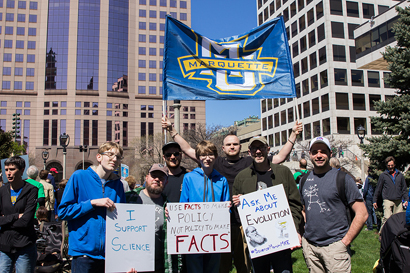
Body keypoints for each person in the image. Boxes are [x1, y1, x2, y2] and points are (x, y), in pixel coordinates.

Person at [162, 116, 303, 273]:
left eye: (235, 144)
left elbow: (280, 157)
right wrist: (172, 130)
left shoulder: (250, 161)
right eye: (228, 144)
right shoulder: (216, 162)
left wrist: (293, 135)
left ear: (240, 146)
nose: (232, 147)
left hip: (244, 224)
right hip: (218, 226)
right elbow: (188, 150)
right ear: (222, 148)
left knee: (244, 265)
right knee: (220, 267)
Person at [232, 136, 303, 273]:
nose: (258, 151)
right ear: (249, 152)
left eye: (261, 148)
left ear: (268, 149)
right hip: (258, 245)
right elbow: (239, 211)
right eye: (254, 149)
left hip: (282, 239)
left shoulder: (283, 172)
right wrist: (238, 203)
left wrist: (294, 229)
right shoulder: (241, 177)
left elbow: (295, 204)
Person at [299, 136, 367, 272]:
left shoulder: (343, 179)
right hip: (311, 248)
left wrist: (345, 242)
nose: (319, 155)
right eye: (315, 152)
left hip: (335, 247)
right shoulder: (304, 180)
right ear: (310, 154)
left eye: (323, 151)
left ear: (330, 154)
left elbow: (363, 213)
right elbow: (304, 209)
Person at [58, 141, 127, 273]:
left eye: (118, 157)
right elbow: (63, 212)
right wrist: (92, 203)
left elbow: (121, 218)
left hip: (111, 254)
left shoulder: (118, 184)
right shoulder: (79, 177)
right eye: (110, 154)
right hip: (84, 254)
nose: (115, 159)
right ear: (99, 157)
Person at [179, 140, 230, 273]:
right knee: (194, 269)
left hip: (215, 233)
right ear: (198, 157)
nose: (207, 158)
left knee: (213, 268)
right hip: (194, 234)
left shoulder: (222, 180)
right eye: (203, 155)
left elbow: (227, 207)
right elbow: (183, 204)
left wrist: (227, 208)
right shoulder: (189, 178)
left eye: (211, 154)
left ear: (216, 157)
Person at [126, 163, 170, 273]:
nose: (157, 179)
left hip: (159, 266)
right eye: (153, 176)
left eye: (161, 178)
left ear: (166, 182)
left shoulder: (168, 206)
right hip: (133, 266)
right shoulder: (128, 198)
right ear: (146, 178)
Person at [0, 156, 39, 273]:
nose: (8, 173)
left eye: (12, 169)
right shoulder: (2, 190)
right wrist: (16, 216)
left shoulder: (31, 190)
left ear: (22, 170)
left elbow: (26, 220)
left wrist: (5, 220)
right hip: (4, 245)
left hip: (24, 245)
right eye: (6, 169)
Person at [373, 156, 408, 228]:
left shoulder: (400, 175)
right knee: (387, 218)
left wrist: (406, 199)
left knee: (399, 219)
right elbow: (378, 189)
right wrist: (374, 200)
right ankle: (382, 235)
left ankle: (398, 235)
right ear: (386, 165)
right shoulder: (383, 175)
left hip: (398, 201)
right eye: (389, 166)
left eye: (392, 165)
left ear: (394, 165)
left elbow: (404, 188)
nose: (390, 167)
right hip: (388, 199)